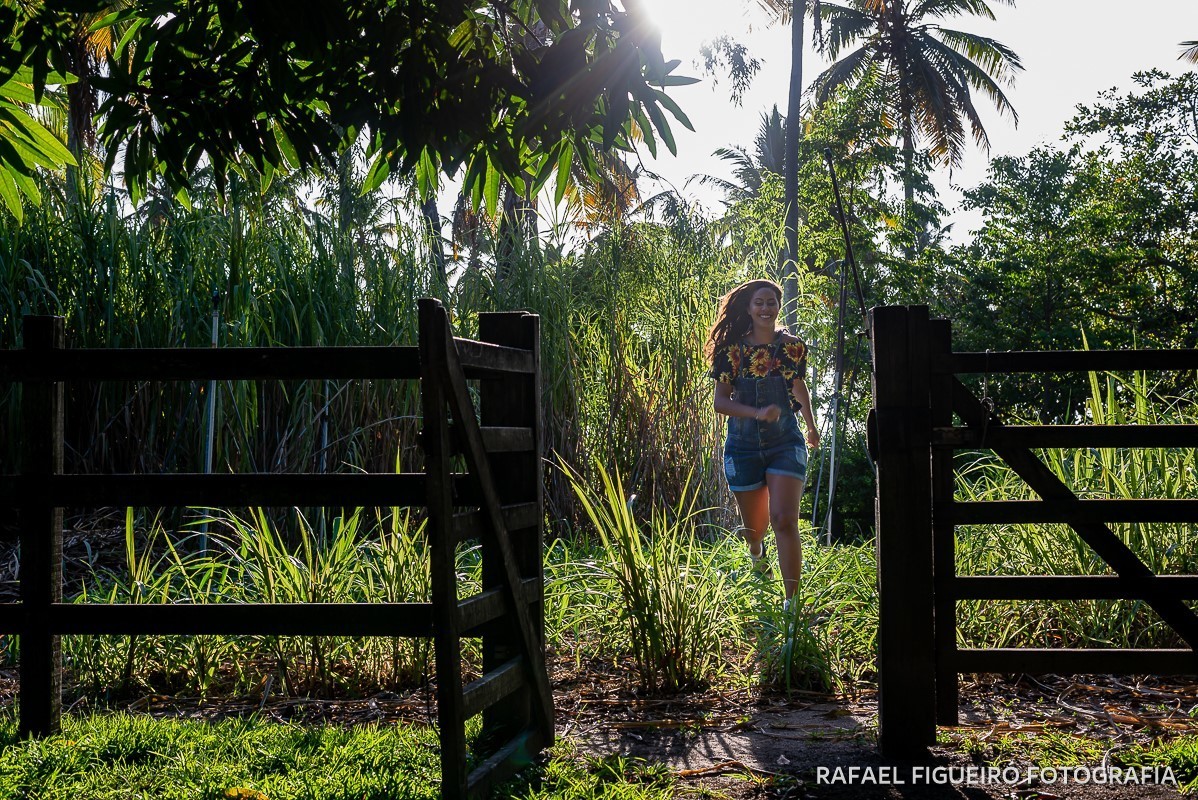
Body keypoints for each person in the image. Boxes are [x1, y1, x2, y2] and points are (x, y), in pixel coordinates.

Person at [706, 279, 819, 605]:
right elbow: (721, 402)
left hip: (786, 441)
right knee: (754, 530)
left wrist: (810, 426)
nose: (766, 308)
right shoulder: (732, 350)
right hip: (743, 446)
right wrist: (757, 412)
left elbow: (798, 387)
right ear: (748, 308)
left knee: (783, 519)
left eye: (771, 302)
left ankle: (791, 604)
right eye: (759, 303)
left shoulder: (793, 346)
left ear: (778, 306)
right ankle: (757, 552)